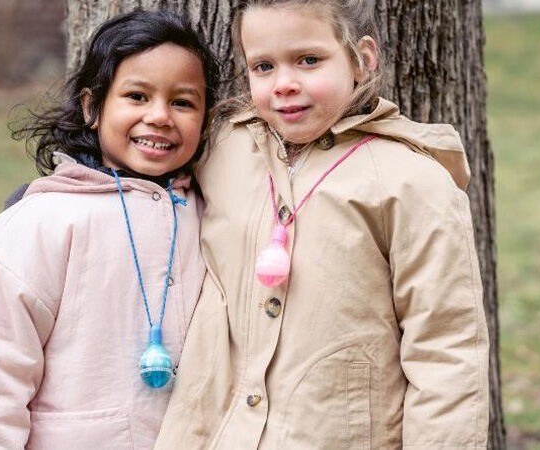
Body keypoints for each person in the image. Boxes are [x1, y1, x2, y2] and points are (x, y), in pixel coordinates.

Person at [154, 1, 490, 448]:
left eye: (309, 60)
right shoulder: (221, 149)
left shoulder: (411, 182)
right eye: (263, 66)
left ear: (361, 59)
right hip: (215, 433)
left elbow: (446, 348)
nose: (285, 85)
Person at [0, 10, 219, 449]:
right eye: (136, 96)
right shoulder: (40, 224)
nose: (160, 116)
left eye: (183, 102)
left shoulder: (212, 215)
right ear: (92, 106)